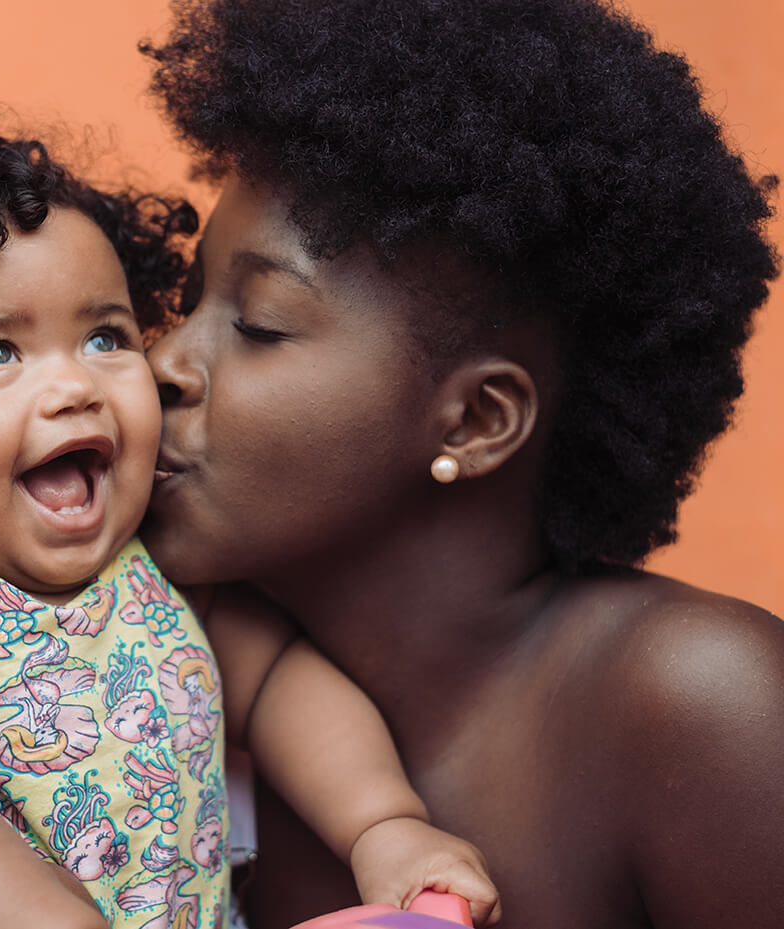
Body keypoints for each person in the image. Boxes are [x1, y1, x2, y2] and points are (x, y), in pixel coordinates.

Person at [0, 104, 499, 929]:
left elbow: (283, 685)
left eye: (107, 338)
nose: (77, 385)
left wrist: (382, 822)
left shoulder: (147, 564)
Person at [136, 0, 784, 927]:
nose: (160, 362)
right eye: (188, 299)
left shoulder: (699, 698)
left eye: (257, 324)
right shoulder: (146, 669)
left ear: (475, 421)